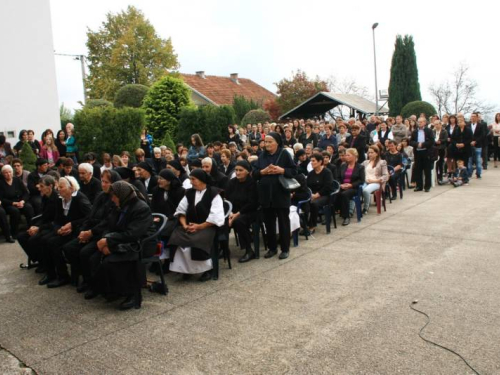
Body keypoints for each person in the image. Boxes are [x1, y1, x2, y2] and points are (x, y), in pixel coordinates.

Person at [90, 181, 155, 309]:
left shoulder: (141, 207)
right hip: (124, 240)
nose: (112, 199)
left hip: (141, 243)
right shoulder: (120, 205)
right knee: (93, 257)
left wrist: (109, 241)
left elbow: (133, 233)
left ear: (122, 195)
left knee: (111, 261)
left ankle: (132, 294)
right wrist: (106, 238)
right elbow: (111, 225)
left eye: (114, 196)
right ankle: (113, 290)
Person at [61, 170, 121, 295]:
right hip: (91, 230)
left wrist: (91, 233)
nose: (103, 184)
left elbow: (108, 222)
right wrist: (84, 231)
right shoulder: (100, 196)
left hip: (102, 233)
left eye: (107, 182)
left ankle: (93, 284)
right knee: (69, 247)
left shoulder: (115, 199)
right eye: (102, 181)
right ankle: (83, 277)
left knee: (85, 253)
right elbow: (90, 216)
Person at [168, 169, 225, 281]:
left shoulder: (214, 194)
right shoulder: (189, 193)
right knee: (176, 236)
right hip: (190, 225)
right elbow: (181, 211)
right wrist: (184, 225)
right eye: (190, 179)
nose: (191, 182)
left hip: (208, 226)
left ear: (202, 180)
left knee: (196, 240)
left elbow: (215, 217)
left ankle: (206, 269)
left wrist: (199, 227)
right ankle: (186, 269)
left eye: (193, 179)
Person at [37, 176, 92, 288]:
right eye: (58, 186)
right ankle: (51, 274)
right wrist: (59, 229)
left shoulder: (80, 199)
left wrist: (72, 224)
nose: (58, 189)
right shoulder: (60, 199)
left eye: (61, 187)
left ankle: (63, 276)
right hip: (65, 230)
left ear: (71, 188)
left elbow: (89, 217)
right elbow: (57, 219)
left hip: (78, 230)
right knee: (44, 240)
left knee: (55, 243)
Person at [253, 133, 297, 260]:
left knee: (283, 222)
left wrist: (282, 170)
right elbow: (254, 173)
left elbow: (294, 171)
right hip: (266, 194)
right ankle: (272, 248)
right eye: (265, 142)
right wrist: (263, 171)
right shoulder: (262, 156)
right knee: (269, 223)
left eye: (270, 142)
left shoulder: (284, 154)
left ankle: (285, 249)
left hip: (281, 194)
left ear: (277, 142)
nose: (267, 144)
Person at [17, 176, 59, 266]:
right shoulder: (45, 197)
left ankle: (45, 263)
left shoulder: (57, 199)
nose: (39, 188)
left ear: (50, 186)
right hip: (44, 224)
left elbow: (55, 220)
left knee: (34, 239)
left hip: (52, 227)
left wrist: (38, 228)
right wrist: (34, 226)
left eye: (42, 186)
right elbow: (43, 216)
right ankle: (39, 260)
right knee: (21, 236)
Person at [226, 160, 258, 263]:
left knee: (239, 221)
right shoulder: (232, 182)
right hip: (233, 211)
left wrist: (237, 214)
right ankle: (223, 248)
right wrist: (230, 213)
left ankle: (249, 250)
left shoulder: (252, 183)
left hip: (250, 211)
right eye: (236, 170)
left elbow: (252, 203)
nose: (238, 172)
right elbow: (227, 200)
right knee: (220, 221)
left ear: (247, 171)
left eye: (241, 170)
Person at [151, 168, 186, 240]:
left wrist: (169, 218)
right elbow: (153, 207)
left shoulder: (180, 191)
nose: (158, 181)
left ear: (169, 181)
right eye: (158, 178)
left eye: (161, 179)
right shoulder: (156, 190)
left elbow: (179, 209)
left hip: (174, 219)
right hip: (159, 218)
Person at [0, 165, 34, 238]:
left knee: (28, 207)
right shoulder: (1, 183)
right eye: (6, 173)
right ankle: (14, 232)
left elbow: (26, 193)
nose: (8, 174)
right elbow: (2, 199)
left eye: (10, 172)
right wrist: (13, 203)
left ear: (12, 172)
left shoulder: (17, 180)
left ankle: (32, 229)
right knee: (15, 211)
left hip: (20, 201)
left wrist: (22, 201)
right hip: (9, 204)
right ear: (3, 174)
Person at [306, 153, 333, 233]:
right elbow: (307, 186)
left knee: (314, 204)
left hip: (324, 195)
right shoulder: (311, 173)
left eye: (313, 161)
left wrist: (317, 195)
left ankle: (312, 226)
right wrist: (310, 194)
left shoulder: (327, 172)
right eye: (311, 161)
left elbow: (328, 187)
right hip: (312, 195)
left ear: (320, 161)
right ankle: (303, 224)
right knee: (300, 203)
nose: (311, 162)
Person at [337, 148, 365, 226]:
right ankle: (332, 213)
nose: (346, 157)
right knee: (334, 193)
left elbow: (361, 180)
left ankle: (346, 216)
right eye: (346, 155)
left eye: (348, 155)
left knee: (344, 194)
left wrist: (351, 185)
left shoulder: (360, 167)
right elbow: (338, 177)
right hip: (343, 186)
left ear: (354, 156)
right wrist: (340, 184)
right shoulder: (343, 165)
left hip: (354, 188)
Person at [361, 146, 388, 214]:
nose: (369, 154)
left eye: (372, 152)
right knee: (358, 189)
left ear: (376, 153)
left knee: (366, 190)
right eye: (368, 152)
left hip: (377, 182)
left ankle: (365, 208)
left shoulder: (382, 162)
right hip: (366, 181)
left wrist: (376, 181)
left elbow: (385, 176)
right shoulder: (365, 162)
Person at [410, 118, 434, 192]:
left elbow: (431, 141)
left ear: (424, 122)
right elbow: (411, 141)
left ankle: (427, 186)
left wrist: (423, 144)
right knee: (418, 169)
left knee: (427, 170)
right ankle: (419, 186)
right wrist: (417, 144)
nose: (419, 123)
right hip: (417, 152)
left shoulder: (429, 131)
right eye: (418, 122)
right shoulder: (415, 131)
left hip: (426, 152)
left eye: (421, 122)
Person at [467, 113, 485, 179]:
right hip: (469, 144)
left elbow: (482, 135)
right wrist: (470, 141)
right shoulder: (468, 125)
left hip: (478, 145)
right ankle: (469, 173)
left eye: (474, 116)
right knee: (469, 160)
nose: (473, 118)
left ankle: (478, 173)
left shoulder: (481, 125)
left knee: (478, 160)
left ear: (477, 118)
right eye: (472, 116)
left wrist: (476, 141)